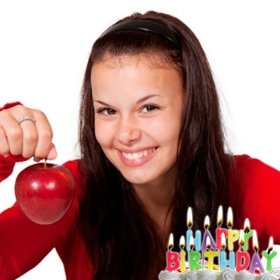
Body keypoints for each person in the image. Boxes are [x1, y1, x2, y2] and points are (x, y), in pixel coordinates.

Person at [0, 10, 279, 280]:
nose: (125, 134)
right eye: (108, 111)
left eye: (149, 107)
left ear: (193, 106)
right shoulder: (73, 190)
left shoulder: (252, 186)